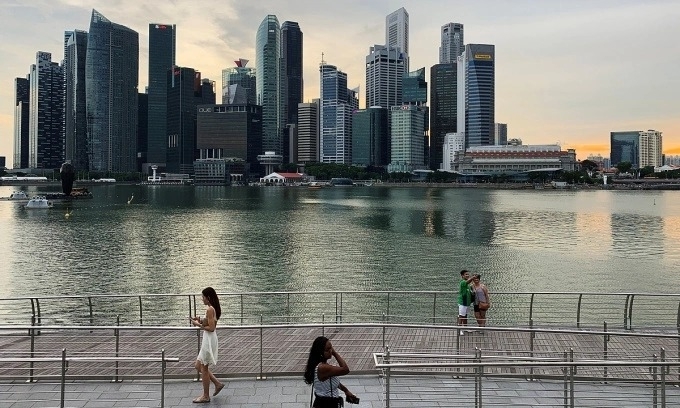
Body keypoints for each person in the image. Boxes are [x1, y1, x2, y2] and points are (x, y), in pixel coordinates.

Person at [191, 287, 224, 403]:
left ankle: (205, 396)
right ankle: (217, 383)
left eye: (203, 297)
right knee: (198, 366)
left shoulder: (210, 309)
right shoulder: (212, 309)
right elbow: (209, 323)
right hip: (208, 338)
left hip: (209, 339)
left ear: (208, 297)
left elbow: (211, 328)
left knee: (204, 367)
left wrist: (197, 324)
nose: (202, 299)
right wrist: (200, 321)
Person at [304, 336, 358, 407]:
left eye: (331, 348)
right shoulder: (322, 367)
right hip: (326, 403)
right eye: (328, 349)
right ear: (320, 352)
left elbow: (333, 380)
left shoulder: (321, 364)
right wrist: (335, 353)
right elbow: (345, 370)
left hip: (327, 401)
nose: (331, 351)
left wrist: (346, 390)